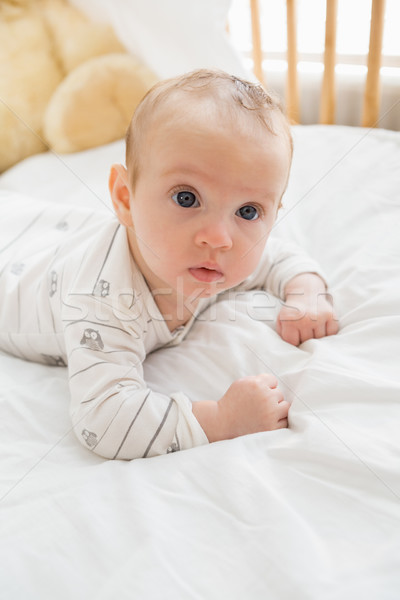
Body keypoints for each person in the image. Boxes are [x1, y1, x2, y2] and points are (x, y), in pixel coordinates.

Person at [0, 69, 338, 459]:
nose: (219, 237)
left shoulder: (212, 256)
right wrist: (221, 420)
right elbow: (104, 419)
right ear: (125, 198)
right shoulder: (101, 298)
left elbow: (279, 257)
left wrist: (307, 293)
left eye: (248, 211)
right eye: (187, 199)